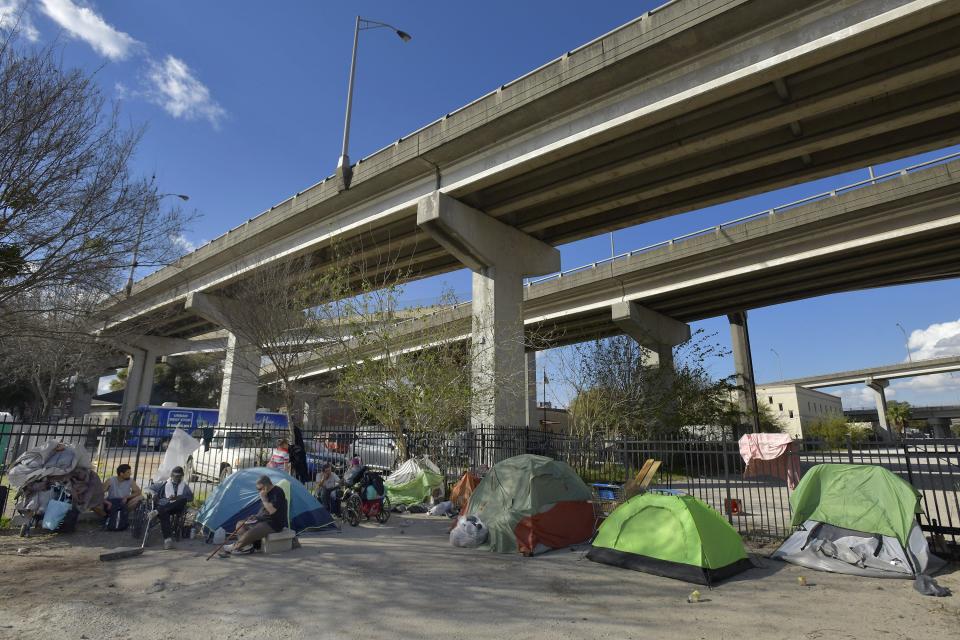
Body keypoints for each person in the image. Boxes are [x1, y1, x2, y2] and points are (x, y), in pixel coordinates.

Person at [219, 474, 288, 558]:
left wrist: (263, 499)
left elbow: (272, 511)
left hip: (273, 523)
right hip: (263, 519)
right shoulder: (265, 492)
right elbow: (263, 511)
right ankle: (247, 547)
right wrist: (256, 516)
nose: (259, 491)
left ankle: (235, 546)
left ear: (266, 486)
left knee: (253, 531)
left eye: (259, 489)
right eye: (257, 489)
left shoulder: (278, 492)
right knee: (240, 524)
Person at [146, 466, 193, 550]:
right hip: (163, 506)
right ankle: (168, 541)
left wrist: (177, 497)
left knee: (182, 500)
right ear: (171, 475)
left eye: (179, 476)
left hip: (176, 507)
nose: (177, 478)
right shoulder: (164, 484)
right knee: (164, 513)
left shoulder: (184, 487)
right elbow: (147, 489)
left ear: (181, 476)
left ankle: (156, 511)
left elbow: (190, 498)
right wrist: (153, 493)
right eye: (175, 476)